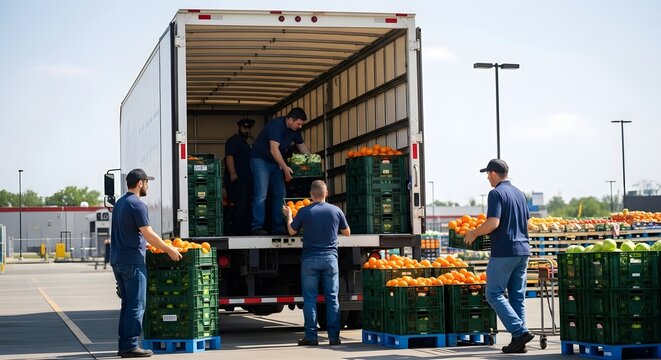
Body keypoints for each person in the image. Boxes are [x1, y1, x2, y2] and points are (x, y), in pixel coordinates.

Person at [464, 159, 534, 354]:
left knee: (493, 293)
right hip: (523, 250)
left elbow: (493, 223)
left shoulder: (496, 193)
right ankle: (519, 342)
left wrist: (474, 233)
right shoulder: (519, 193)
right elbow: (527, 222)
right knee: (516, 297)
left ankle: (520, 332)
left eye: (487, 174)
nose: (487, 177)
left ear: (494, 174)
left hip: (504, 251)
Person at [110, 168, 182, 358]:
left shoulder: (119, 203)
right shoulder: (137, 205)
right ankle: (131, 346)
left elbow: (129, 233)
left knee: (127, 304)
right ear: (140, 183)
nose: (148, 185)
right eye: (147, 182)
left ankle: (124, 345)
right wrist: (169, 249)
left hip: (118, 261)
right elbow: (148, 233)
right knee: (136, 305)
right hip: (132, 262)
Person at [282, 180, 350, 346]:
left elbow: (292, 231)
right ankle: (334, 337)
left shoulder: (305, 211)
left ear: (311, 195)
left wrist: (289, 214)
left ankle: (311, 337)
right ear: (326, 193)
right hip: (330, 259)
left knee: (310, 299)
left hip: (310, 260)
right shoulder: (336, 210)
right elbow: (347, 233)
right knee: (332, 299)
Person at [251, 107, 310, 235]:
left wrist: (311, 160)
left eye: (301, 124)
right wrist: (284, 167)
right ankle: (257, 227)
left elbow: (301, 146)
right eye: (298, 123)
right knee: (261, 194)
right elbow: (274, 150)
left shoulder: (295, 130)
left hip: (275, 162)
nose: (300, 126)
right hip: (260, 160)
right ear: (290, 120)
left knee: (280, 193)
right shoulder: (276, 125)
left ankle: (278, 227)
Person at [224, 118, 255, 235]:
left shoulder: (245, 143)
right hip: (237, 179)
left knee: (246, 205)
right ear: (239, 128)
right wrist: (233, 173)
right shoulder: (233, 141)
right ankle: (239, 231)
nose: (246, 130)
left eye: (249, 128)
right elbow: (229, 157)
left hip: (246, 180)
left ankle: (245, 229)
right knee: (240, 206)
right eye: (244, 128)